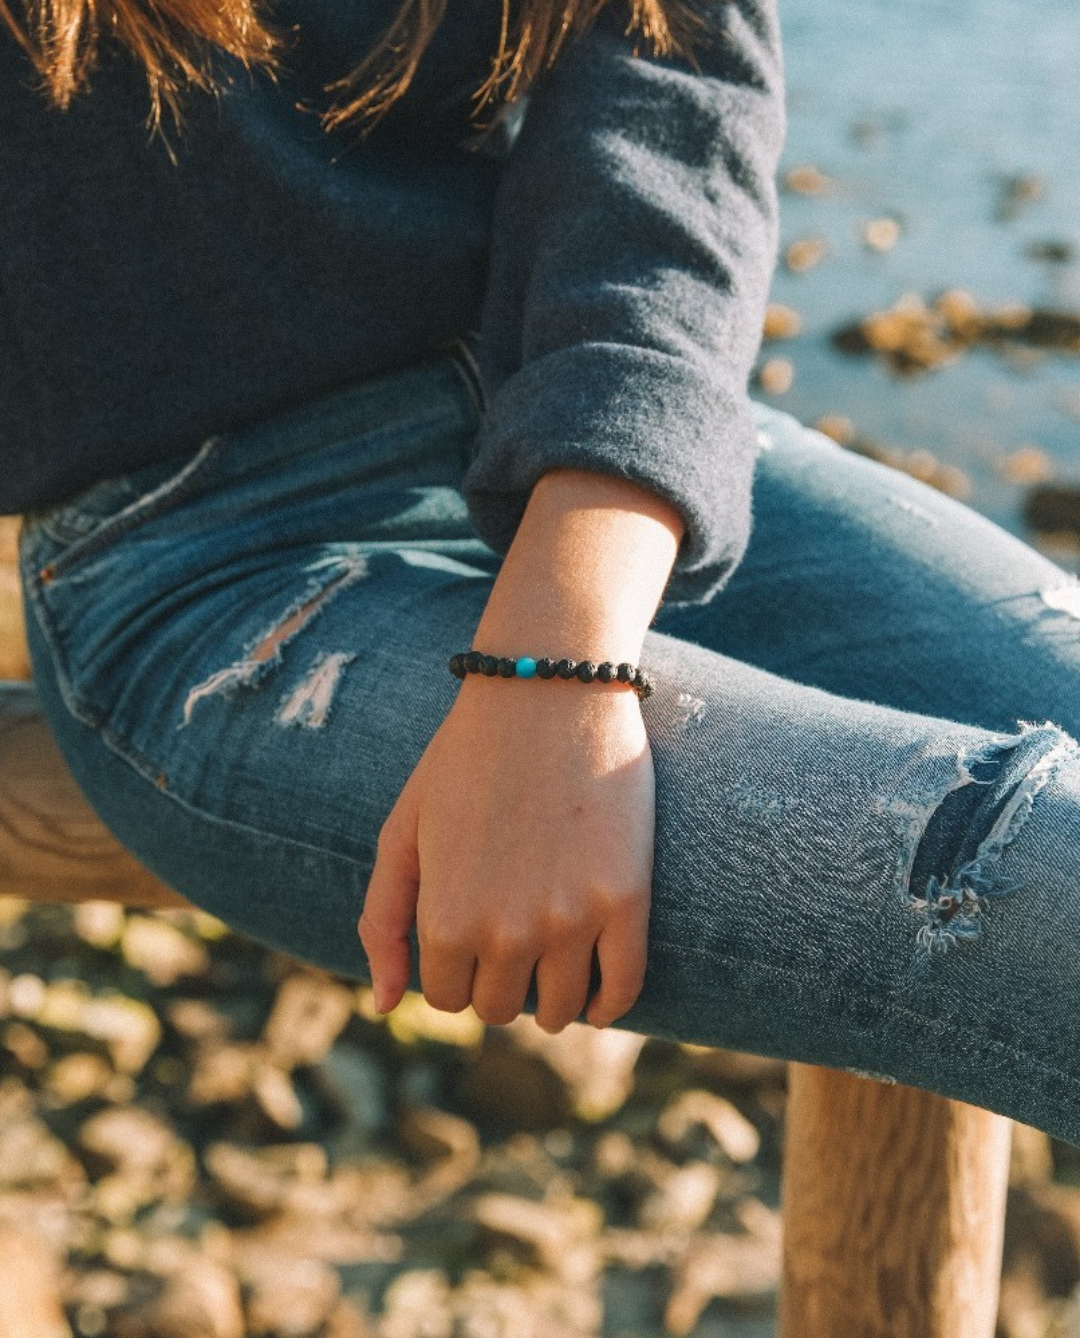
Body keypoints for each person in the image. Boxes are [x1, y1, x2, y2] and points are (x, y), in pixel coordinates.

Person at [7, 0, 1080, 1146]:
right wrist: (549, 670)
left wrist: (564, 631)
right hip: (208, 558)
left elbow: (670, 77)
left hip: (584, 426)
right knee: (1031, 886)